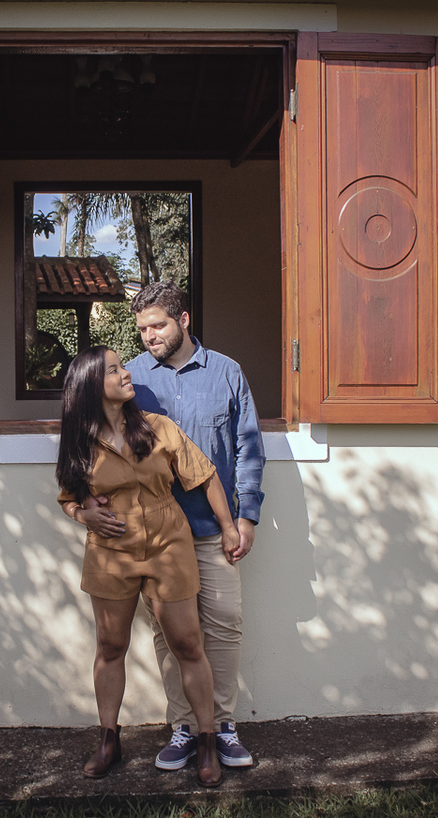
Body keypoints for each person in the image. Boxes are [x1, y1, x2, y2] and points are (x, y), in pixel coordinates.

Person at [76, 281, 264, 772]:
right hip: (152, 537)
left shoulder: (226, 372)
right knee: (170, 636)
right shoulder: (131, 377)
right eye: (142, 329)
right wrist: (82, 505)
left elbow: (247, 447)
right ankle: (184, 727)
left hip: (210, 528)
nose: (148, 336)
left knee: (221, 626)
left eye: (157, 325)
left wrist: (243, 518)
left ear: (183, 320)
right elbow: (89, 444)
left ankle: (221, 726)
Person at [56, 345, 241, 787]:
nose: (127, 374)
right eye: (114, 370)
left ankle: (206, 740)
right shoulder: (79, 440)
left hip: (167, 544)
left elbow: (206, 475)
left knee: (188, 644)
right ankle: (108, 740)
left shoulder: (158, 427)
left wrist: (229, 527)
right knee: (110, 646)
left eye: (123, 367)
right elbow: (67, 497)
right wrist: (83, 515)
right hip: (110, 551)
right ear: (91, 385)